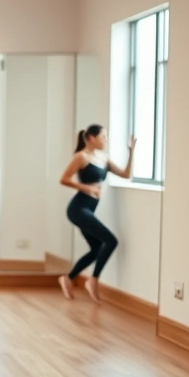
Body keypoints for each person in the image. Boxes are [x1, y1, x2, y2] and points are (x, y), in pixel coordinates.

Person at [58, 124, 135, 303]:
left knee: (96, 248)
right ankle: (93, 280)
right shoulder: (81, 157)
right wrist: (85, 187)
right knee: (111, 241)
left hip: (88, 210)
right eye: (103, 137)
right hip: (78, 209)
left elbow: (126, 174)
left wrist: (131, 152)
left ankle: (68, 278)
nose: (106, 140)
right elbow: (63, 179)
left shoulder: (104, 158)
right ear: (91, 138)